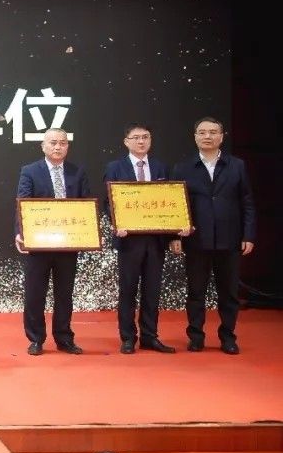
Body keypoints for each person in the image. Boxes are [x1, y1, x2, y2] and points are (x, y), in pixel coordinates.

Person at [170, 117, 255, 355]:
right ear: (195, 137)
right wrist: (174, 236)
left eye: (213, 132)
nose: (207, 136)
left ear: (222, 136)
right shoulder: (182, 168)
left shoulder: (236, 165)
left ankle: (228, 337)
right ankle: (196, 336)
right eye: (202, 132)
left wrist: (249, 235)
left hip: (230, 240)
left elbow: (247, 202)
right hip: (197, 241)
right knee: (196, 293)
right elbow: (176, 206)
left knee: (229, 294)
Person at [15, 128, 91, 356]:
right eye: (53, 143)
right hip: (39, 242)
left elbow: (86, 204)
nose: (58, 147)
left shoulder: (78, 172)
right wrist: (20, 232)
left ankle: (64, 338)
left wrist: (88, 234)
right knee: (35, 293)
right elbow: (22, 203)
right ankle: (36, 338)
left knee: (64, 293)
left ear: (68, 146)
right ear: (43, 146)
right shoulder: (30, 171)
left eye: (62, 143)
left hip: (68, 242)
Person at [102, 124, 177, 354]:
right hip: (129, 241)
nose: (141, 141)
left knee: (152, 290)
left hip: (156, 240)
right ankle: (127, 338)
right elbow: (108, 202)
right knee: (128, 290)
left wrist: (174, 234)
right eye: (136, 138)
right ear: (126, 141)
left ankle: (150, 336)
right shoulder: (115, 167)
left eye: (145, 137)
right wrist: (117, 223)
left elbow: (172, 202)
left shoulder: (161, 167)